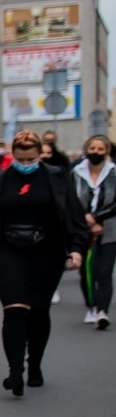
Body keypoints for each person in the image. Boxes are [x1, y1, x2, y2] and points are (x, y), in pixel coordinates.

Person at [0, 130, 88, 394]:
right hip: (8, 252)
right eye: (21, 159)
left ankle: (34, 365)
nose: (26, 163)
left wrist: (76, 248)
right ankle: (15, 372)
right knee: (14, 310)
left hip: (47, 253)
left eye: (31, 159)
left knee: (39, 312)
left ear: (40, 155)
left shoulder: (57, 177)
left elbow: (74, 216)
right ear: (13, 156)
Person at [72, 135, 115, 329]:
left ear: (106, 152)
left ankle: (102, 311)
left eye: (100, 149)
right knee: (87, 271)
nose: (95, 152)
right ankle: (91, 305)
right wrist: (86, 220)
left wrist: (97, 218)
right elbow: (71, 200)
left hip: (109, 229)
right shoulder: (76, 173)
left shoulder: (113, 173)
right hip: (82, 230)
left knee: (104, 271)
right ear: (87, 150)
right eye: (92, 148)